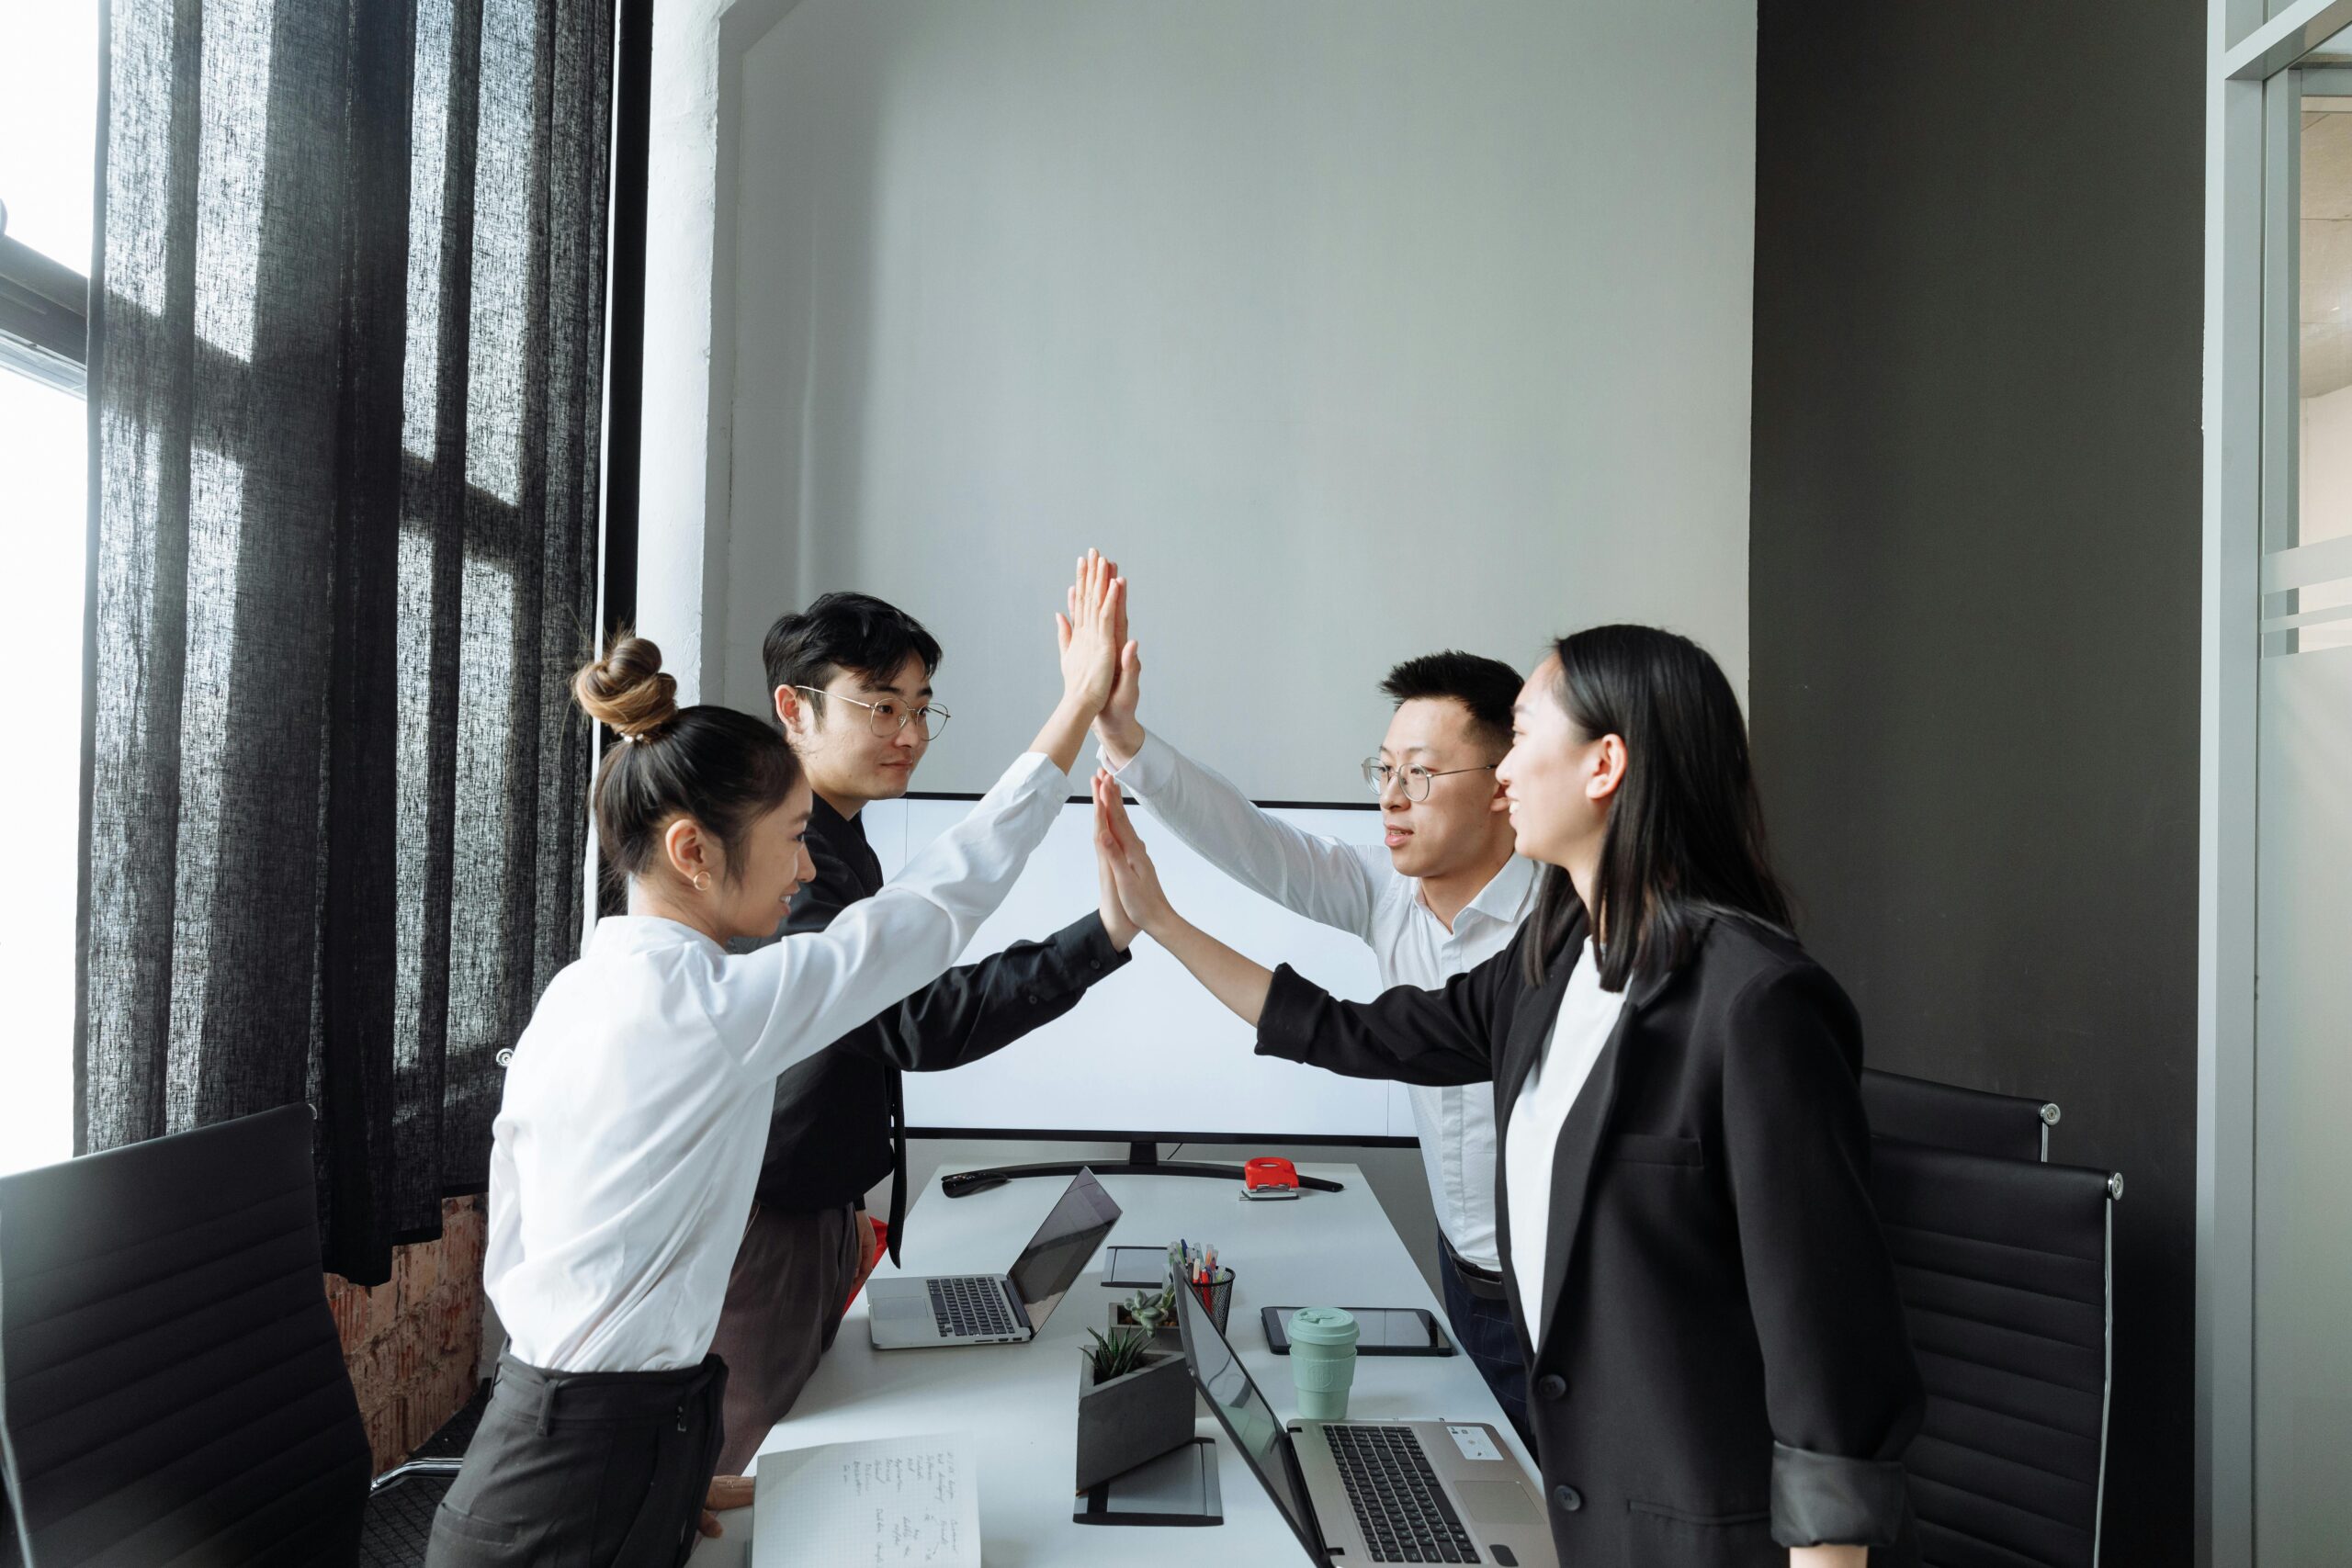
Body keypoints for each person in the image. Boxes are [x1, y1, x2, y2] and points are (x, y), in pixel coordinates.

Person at [1089, 624, 1923, 1568]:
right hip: (1587, 1501)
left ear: (1605, 765)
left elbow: (1825, 1334)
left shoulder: (1757, 1000)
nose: (1504, 776)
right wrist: (1155, 919)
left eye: (1523, 741)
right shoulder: (1545, 970)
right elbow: (1341, 1032)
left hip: (1702, 1525)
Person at [424, 553, 1127, 1568]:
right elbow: (935, 909)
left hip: (555, 1453)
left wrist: (652, 1457)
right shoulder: (712, 1011)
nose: (806, 867)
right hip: (567, 1499)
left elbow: (523, 1262)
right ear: (694, 852)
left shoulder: (580, 997)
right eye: (794, 839)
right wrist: (1072, 714)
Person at [705, 568, 1141, 1480]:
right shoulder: (791, 856)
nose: (908, 735)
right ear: (796, 708)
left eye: (921, 708)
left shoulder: (839, 835)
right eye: (879, 707)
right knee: (753, 1476)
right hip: (766, 1226)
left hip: (815, 1214)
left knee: (803, 1457)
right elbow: (918, 1024)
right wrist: (1100, 935)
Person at [1091, 643, 1538, 1438]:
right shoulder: (1384, 892)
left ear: (1504, 788)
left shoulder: (1560, 928)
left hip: (1551, 1296)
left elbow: (1343, 1033)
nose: (1393, 798)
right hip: (1461, 1272)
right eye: (1385, 770)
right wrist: (1129, 741)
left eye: (1422, 775)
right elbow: (1256, 845)